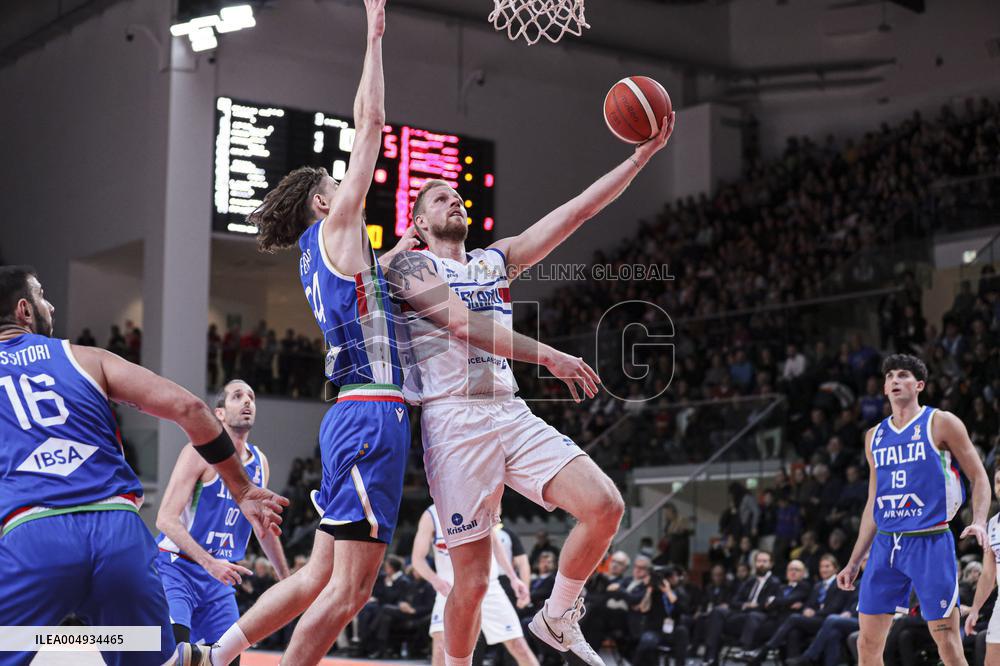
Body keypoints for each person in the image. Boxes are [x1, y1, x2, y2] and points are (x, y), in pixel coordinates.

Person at [387, 107, 675, 666]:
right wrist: (551, 356)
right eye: (441, 198)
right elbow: (464, 325)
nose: (456, 201)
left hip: (509, 412)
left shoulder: (496, 260)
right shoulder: (409, 271)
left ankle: (558, 614)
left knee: (605, 505)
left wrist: (639, 158)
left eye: (458, 197)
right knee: (470, 583)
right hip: (453, 423)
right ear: (418, 224)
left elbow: (578, 212)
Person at [0, 266, 285, 666]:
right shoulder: (86, 358)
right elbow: (190, 408)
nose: (51, 304)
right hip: (119, 531)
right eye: (43, 295)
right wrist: (243, 489)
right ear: (25, 310)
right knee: (142, 653)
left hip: (34, 534)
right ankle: (175, 657)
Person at [836, 354, 990, 666]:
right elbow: (873, 502)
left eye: (903, 375)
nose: (895, 380)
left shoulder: (941, 422)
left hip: (930, 541)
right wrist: (854, 561)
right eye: (890, 376)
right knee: (867, 643)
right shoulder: (874, 437)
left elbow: (979, 477)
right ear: (883, 388)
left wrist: (980, 521)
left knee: (947, 643)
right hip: (886, 544)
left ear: (919, 385)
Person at [155, 379, 291, 659]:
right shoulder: (198, 453)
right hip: (177, 566)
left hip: (220, 577)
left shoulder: (260, 462)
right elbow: (166, 519)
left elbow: (264, 530)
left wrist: (287, 582)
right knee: (173, 654)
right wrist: (209, 563)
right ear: (219, 413)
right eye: (237, 396)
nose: (247, 402)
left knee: (229, 659)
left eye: (251, 397)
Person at [411, 504, 537, 666]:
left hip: (488, 587)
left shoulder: (476, 501)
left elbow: (495, 545)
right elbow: (417, 559)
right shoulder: (431, 515)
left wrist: (513, 577)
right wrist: (436, 580)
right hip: (450, 590)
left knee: (518, 646)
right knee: (440, 648)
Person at [964, 465, 1000, 664]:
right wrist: (975, 609)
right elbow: (987, 575)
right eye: (997, 481)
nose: (999, 486)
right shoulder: (992, 524)